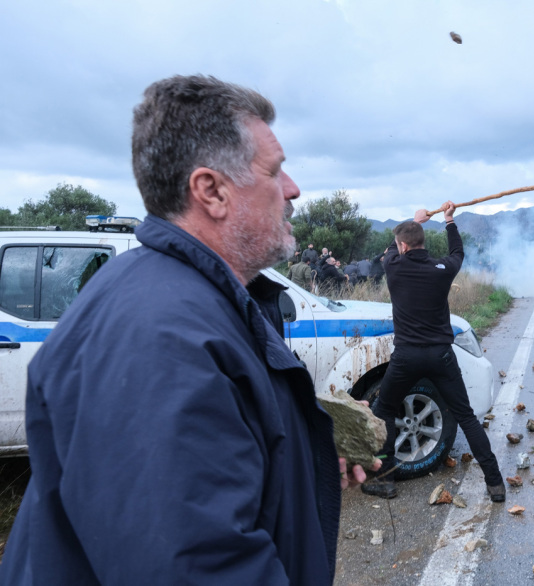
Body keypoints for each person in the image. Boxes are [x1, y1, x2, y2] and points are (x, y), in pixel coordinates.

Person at [0, 74, 373, 586]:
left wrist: (300, 463)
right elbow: (196, 566)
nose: (293, 189)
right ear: (211, 190)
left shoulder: (191, 298)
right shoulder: (160, 340)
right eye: (275, 170)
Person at [362, 202, 506, 503]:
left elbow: (390, 250)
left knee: (384, 410)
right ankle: (495, 484)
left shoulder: (394, 266)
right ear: (422, 244)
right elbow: (458, 254)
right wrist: (449, 221)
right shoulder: (442, 269)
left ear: (402, 246)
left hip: (406, 357)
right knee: (466, 416)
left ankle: (386, 481)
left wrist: (415, 220)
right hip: (441, 355)